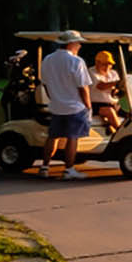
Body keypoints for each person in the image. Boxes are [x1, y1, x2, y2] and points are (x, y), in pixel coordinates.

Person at [38, 32, 94, 180]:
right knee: (72, 138)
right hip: (75, 107)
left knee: (53, 137)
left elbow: (46, 85)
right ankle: (69, 169)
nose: (80, 46)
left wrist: (54, 99)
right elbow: (83, 87)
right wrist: (88, 105)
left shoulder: (47, 60)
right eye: (78, 43)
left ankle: (44, 167)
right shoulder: (76, 61)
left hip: (57, 106)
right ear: (71, 44)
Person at [89, 49, 125, 132]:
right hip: (96, 104)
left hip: (113, 103)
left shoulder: (113, 73)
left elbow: (116, 87)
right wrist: (117, 83)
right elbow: (101, 86)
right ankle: (121, 133)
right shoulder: (91, 72)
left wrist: (118, 89)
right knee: (110, 111)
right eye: (104, 64)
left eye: (109, 64)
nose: (107, 67)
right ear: (97, 63)